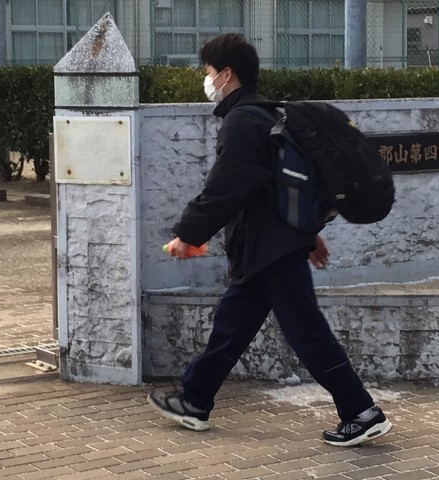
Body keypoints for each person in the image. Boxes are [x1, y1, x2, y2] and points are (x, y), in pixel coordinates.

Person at [147, 33, 392, 447]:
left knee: (306, 332)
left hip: (271, 251)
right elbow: (280, 188)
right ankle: (195, 400)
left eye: (208, 72)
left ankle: (361, 412)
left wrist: (188, 234)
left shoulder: (244, 122)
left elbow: (225, 188)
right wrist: (309, 235)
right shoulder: (265, 116)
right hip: (264, 248)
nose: (206, 80)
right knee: (231, 328)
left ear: (226, 74)